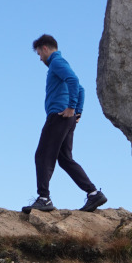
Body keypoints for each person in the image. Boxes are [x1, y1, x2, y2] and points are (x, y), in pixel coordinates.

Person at [22, 34, 107, 213]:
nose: (40, 58)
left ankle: (44, 198)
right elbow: (81, 88)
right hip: (66, 118)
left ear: (45, 48)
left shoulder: (56, 63)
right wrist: (78, 112)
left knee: (42, 155)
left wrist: (72, 107)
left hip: (58, 116)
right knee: (65, 159)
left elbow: (74, 82)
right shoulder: (59, 64)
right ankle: (93, 194)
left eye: (39, 54)